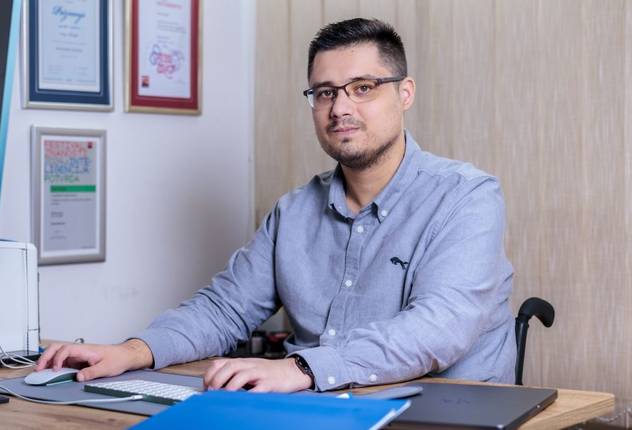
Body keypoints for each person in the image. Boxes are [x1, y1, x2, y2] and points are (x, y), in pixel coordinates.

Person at [37, 17, 516, 393]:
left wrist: (301, 368)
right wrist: (134, 350)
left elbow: (438, 328)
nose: (340, 108)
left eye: (362, 88)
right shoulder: (295, 213)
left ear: (404, 93)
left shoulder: (466, 198)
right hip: (317, 408)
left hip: (441, 412)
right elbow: (224, 309)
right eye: (325, 93)